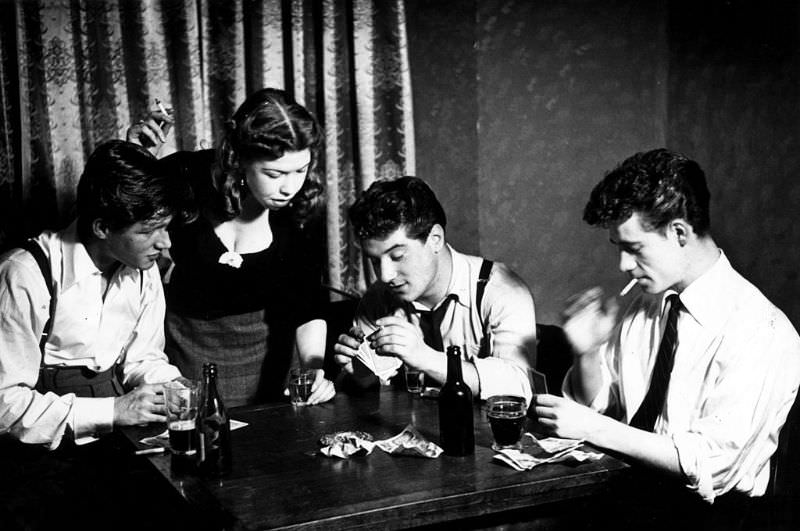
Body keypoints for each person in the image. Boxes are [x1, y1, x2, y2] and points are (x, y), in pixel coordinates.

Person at [534, 148, 800, 527]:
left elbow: (710, 464)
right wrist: (589, 355)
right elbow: (601, 404)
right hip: (632, 499)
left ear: (679, 232)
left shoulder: (762, 331)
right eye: (619, 249)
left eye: (634, 248)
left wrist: (594, 428)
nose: (623, 266)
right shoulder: (646, 306)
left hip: (716, 519)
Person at [127, 88, 335, 407]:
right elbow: (120, 221)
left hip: (273, 363)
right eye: (274, 173)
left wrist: (314, 370)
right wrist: (138, 159)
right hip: (189, 360)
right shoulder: (187, 176)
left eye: (300, 170)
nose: (289, 187)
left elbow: (307, 302)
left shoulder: (305, 206)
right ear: (239, 160)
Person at [0, 140, 188, 449]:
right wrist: (114, 410)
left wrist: (171, 385)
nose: (164, 243)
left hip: (117, 436)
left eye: (166, 227)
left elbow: (142, 358)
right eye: (147, 231)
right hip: (38, 449)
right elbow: (6, 405)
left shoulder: (143, 268)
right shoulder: (24, 274)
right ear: (101, 227)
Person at [333, 176, 536, 402]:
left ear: (435, 239)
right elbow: (369, 390)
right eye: (374, 260)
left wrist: (424, 357)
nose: (385, 275)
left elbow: (520, 385)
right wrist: (361, 374)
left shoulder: (501, 290)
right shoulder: (379, 298)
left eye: (398, 256)